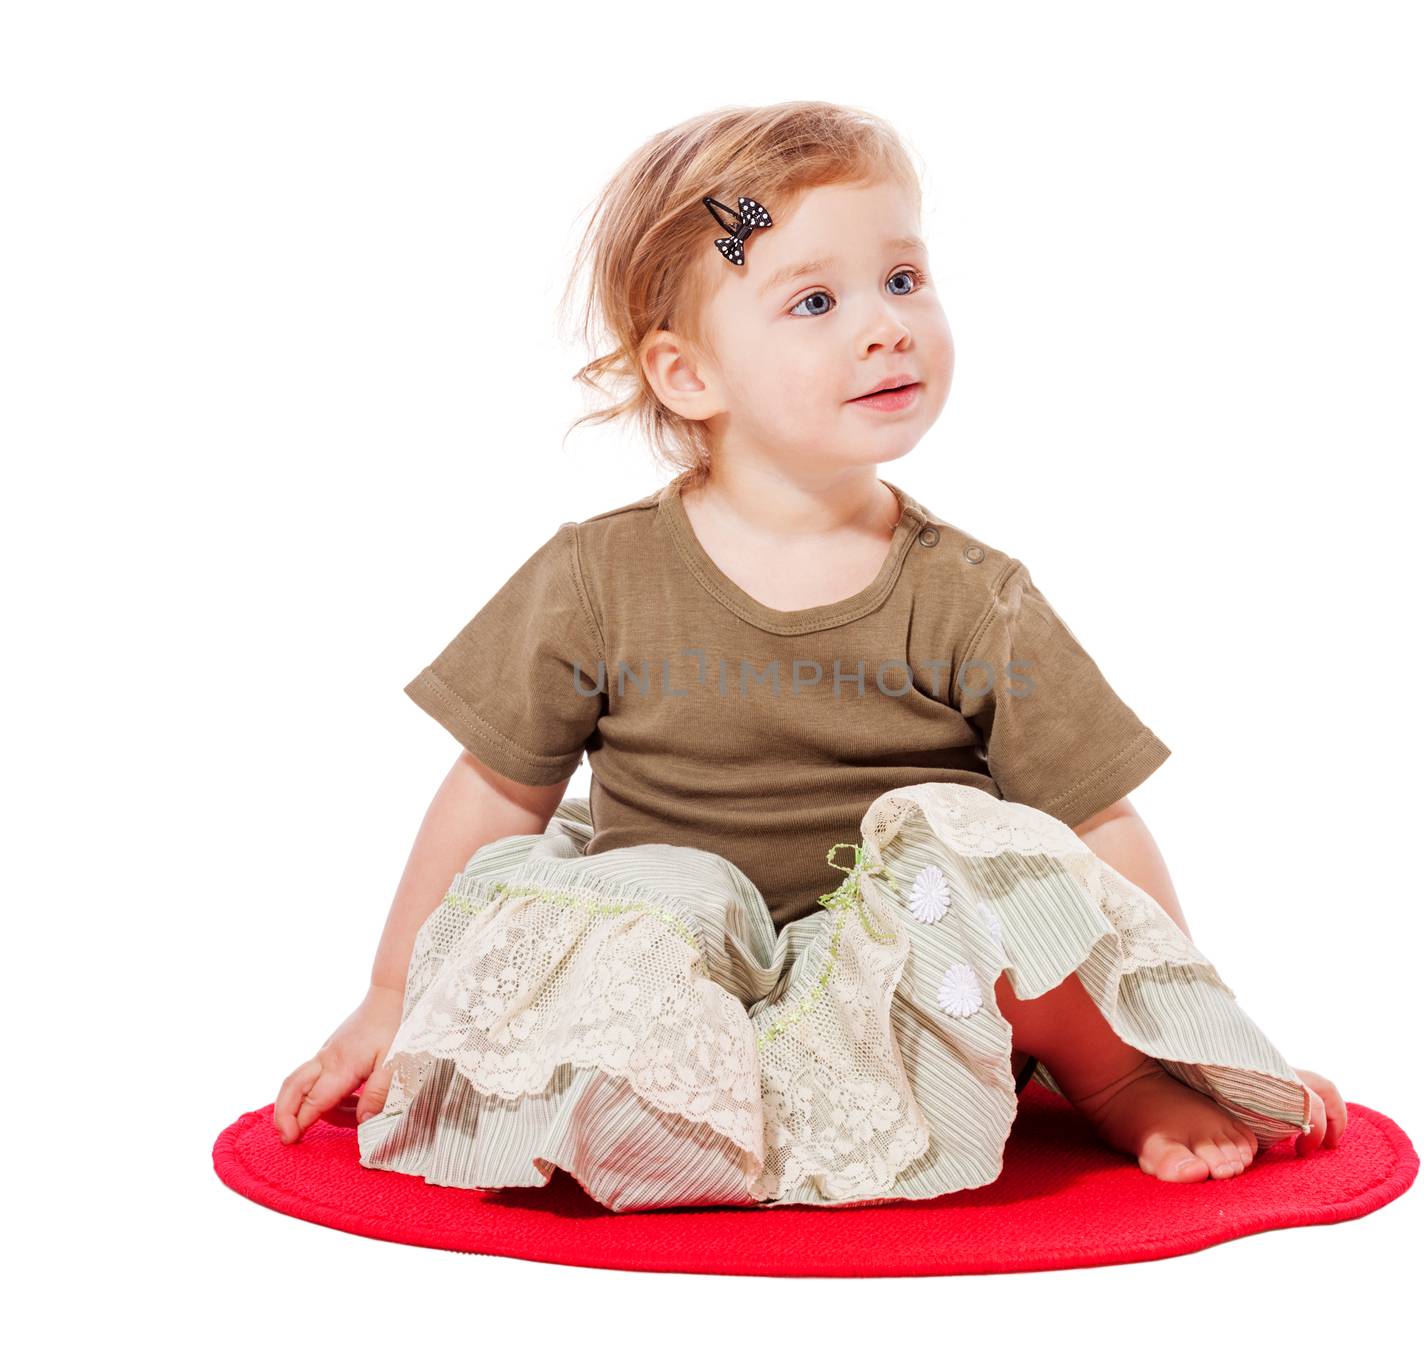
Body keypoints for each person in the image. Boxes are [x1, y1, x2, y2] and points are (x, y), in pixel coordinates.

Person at [274, 100, 1346, 1213]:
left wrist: (1185, 1025)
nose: (885, 326)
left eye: (903, 279)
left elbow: (1094, 830)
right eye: (816, 301)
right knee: (598, 905)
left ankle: (1117, 1071)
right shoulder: (594, 579)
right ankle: (649, 1110)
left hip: (898, 990)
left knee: (993, 856)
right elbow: (496, 791)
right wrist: (393, 992)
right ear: (689, 375)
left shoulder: (975, 599)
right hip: (680, 988)